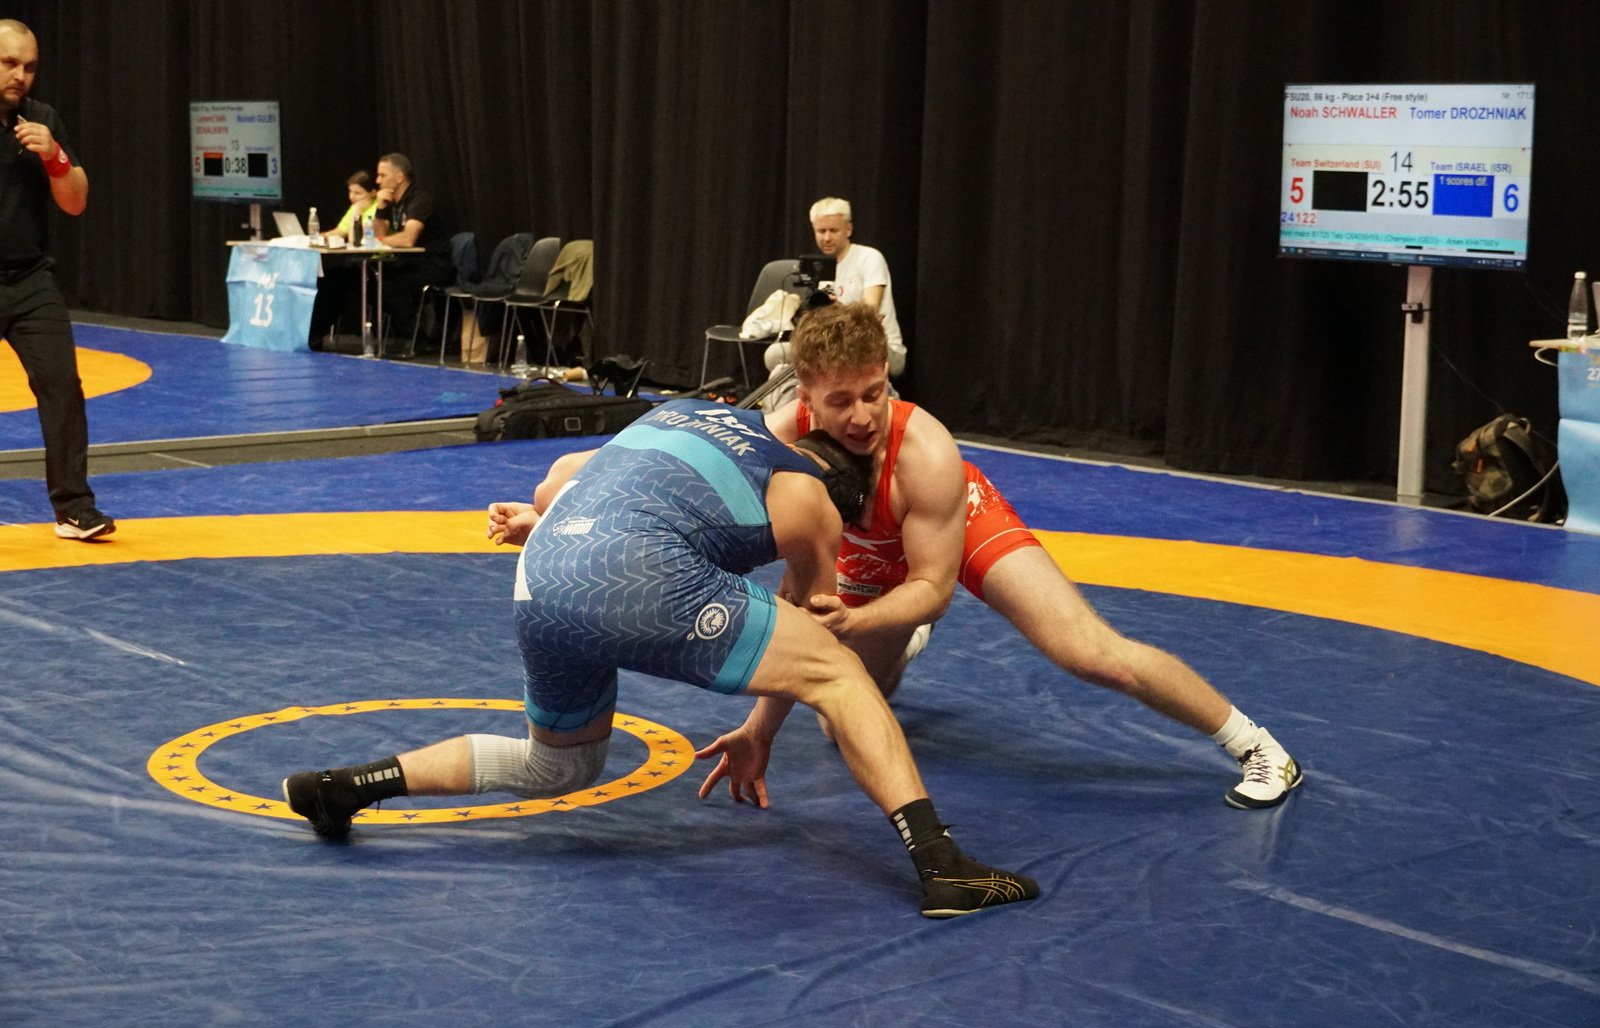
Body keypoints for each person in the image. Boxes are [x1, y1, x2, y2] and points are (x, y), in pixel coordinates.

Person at [282, 398, 1037, 920]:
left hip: (546, 567)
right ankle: (942, 866)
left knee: (559, 766)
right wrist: (761, 730)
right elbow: (817, 632)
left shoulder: (685, 413)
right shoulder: (812, 496)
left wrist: (549, 524)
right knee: (842, 677)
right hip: (640, 575)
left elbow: (558, 480)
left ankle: (348, 786)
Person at [731, 302, 1304, 811]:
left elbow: (933, 592)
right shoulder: (777, 447)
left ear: (886, 376)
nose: (862, 417)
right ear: (805, 396)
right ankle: (898, 633)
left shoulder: (926, 453)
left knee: (1090, 652)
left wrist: (860, 621)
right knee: (837, 725)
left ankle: (1256, 746)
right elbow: (797, 604)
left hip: (955, 523)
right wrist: (759, 732)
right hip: (870, 550)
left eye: (873, 393)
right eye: (841, 401)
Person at [0, 19, 113, 540]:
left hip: (29, 280)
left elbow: (75, 202)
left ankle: (74, 508)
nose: (20, 76)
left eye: (29, 67)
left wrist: (54, 155)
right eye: (9, 63)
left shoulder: (42, 119)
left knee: (63, 388)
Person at [762, 197, 906, 407]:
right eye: (821, 231)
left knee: (784, 358)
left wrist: (838, 310)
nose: (827, 238)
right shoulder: (820, 268)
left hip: (877, 344)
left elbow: (870, 313)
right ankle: (795, 413)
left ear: (848, 229)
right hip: (837, 344)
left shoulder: (869, 258)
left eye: (833, 230)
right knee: (776, 357)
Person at [307, 152, 453, 353]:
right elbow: (377, 233)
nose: (377, 180)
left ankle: (418, 341)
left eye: (382, 175)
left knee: (386, 287)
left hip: (430, 264)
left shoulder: (419, 200)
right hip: (403, 262)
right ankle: (314, 337)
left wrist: (381, 240)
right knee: (338, 278)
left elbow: (408, 239)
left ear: (399, 177)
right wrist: (382, 208)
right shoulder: (391, 201)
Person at [324, 169, 377, 246]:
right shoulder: (356, 206)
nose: (351, 197)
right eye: (350, 191)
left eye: (357, 193)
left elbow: (355, 240)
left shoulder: (378, 208)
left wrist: (357, 211)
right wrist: (320, 237)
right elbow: (339, 232)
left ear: (373, 193)